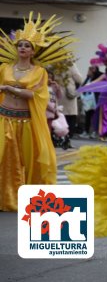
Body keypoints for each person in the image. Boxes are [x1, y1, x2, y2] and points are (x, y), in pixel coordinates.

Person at [0, 13, 74, 211]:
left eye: (27, 46)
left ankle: (25, 198)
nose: (23, 48)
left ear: (33, 51)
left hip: (25, 122)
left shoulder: (39, 72)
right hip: (4, 119)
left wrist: (11, 89)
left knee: (25, 160)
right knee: (4, 159)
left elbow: (36, 95)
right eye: (20, 45)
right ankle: (5, 197)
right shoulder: (5, 68)